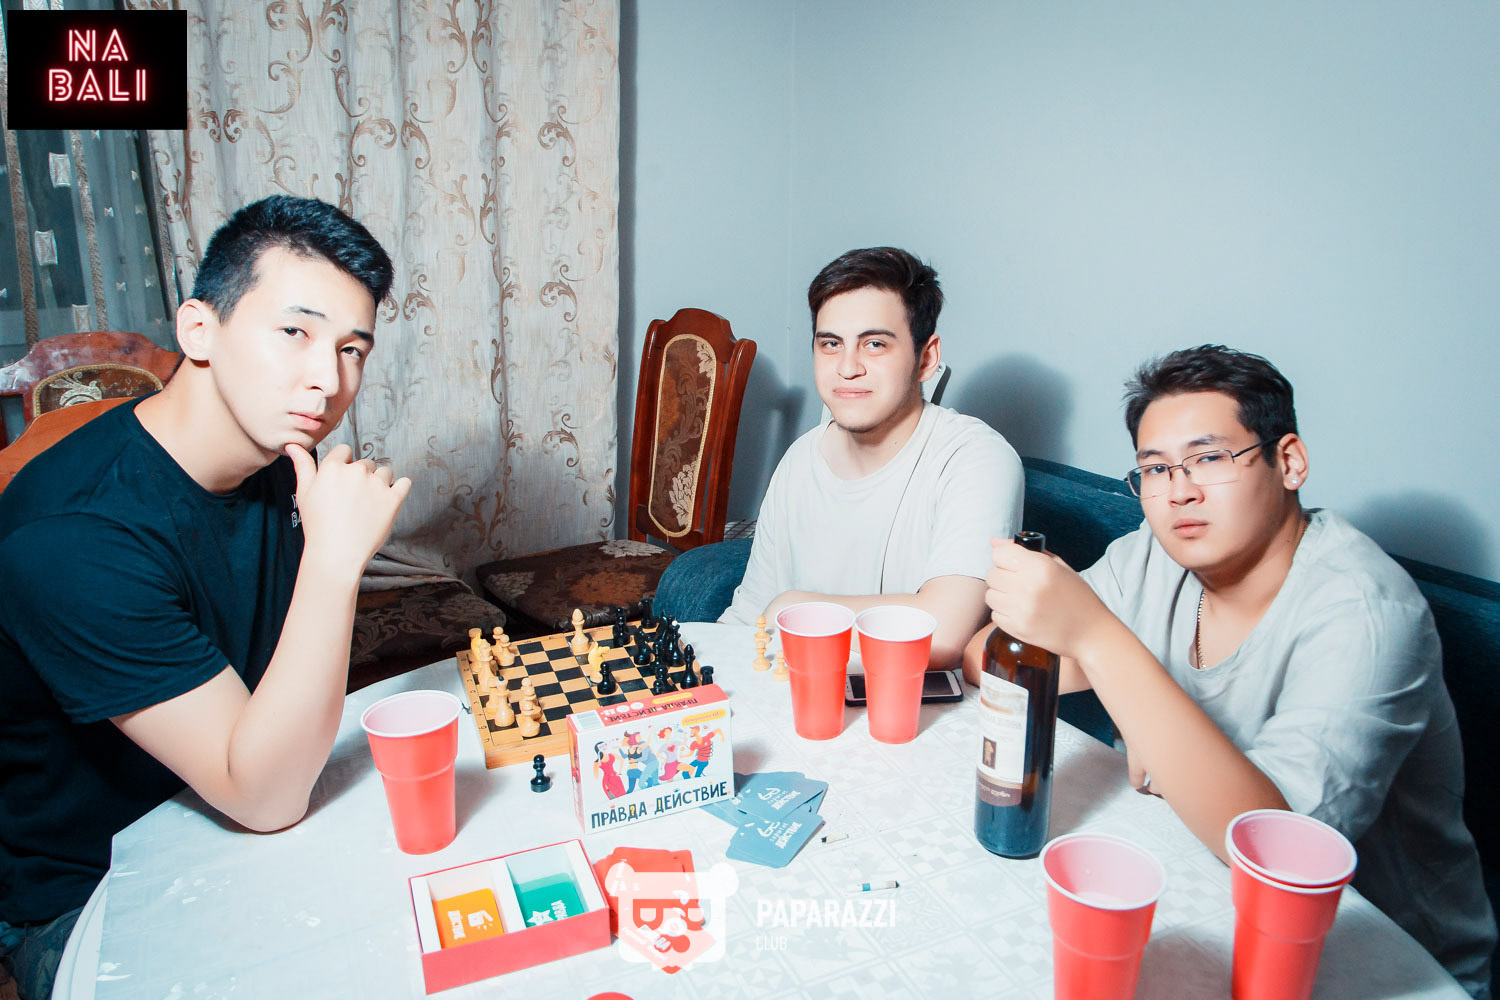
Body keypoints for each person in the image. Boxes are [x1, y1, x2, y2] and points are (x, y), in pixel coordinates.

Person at [965, 345, 1494, 995]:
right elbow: (987, 659)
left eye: (1211, 458)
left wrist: (1101, 646)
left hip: (1377, 962)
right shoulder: (1151, 557)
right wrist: (1126, 691)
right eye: (1155, 468)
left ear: (1289, 462)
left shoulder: (1367, 614)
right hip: (1194, 886)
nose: (1179, 490)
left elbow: (1275, 854)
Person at [0, 196, 410, 1000]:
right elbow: (264, 798)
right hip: (90, 890)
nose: (328, 380)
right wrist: (334, 563)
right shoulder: (76, 536)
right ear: (199, 331)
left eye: (351, 349)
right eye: (293, 332)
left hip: (236, 805)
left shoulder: (279, 461)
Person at [715, 247, 1023, 669]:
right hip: (796, 689)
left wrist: (795, 606)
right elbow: (750, 616)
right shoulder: (800, 459)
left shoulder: (976, 459)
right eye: (831, 344)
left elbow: (942, 634)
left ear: (926, 359)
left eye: (874, 344)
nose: (847, 368)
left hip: (909, 701)